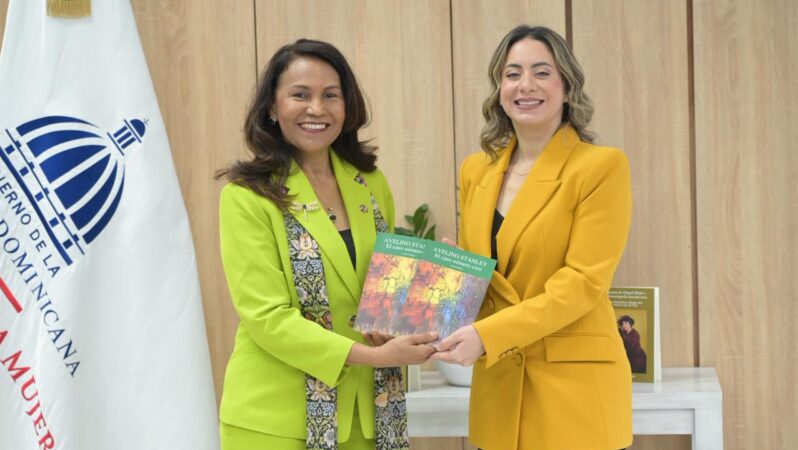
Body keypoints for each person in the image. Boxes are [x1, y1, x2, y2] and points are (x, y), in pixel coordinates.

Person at [216, 39, 436, 450]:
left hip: (369, 418)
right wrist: (373, 358)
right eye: (300, 95)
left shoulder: (370, 182)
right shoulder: (248, 195)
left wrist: (437, 276)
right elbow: (268, 319)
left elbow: (384, 292)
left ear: (347, 106)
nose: (317, 109)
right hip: (277, 422)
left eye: (330, 96)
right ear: (272, 107)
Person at [431, 25, 634, 450]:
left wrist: (489, 335)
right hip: (500, 387)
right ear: (499, 88)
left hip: (572, 390)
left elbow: (582, 284)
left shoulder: (601, 168)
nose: (526, 85)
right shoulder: (476, 171)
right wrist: (455, 272)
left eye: (542, 72)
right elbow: (488, 276)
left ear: (566, 87)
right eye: (513, 73)